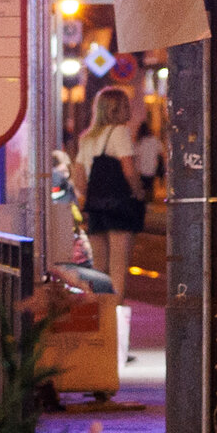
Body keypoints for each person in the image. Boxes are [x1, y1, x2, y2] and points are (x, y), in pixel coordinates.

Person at [68, 74, 157, 308]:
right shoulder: (120, 132)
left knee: (99, 265)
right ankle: (115, 319)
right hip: (119, 205)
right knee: (118, 266)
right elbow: (128, 170)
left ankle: (98, 312)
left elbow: (78, 176)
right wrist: (138, 192)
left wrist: (91, 194)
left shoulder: (87, 138)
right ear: (120, 108)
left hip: (96, 206)